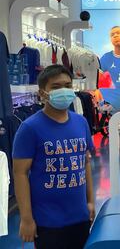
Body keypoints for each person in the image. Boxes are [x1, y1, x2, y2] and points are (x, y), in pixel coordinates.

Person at [13, 65, 95, 249]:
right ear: (43, 93)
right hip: (47, 222)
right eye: (56, 87)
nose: (64, 91)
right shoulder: (29, 128)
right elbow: (20, 174)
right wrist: (26, 219)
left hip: (80, 218)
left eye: (67, 85)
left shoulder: (81, 123)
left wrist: (90, 201)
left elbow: (86, 163)